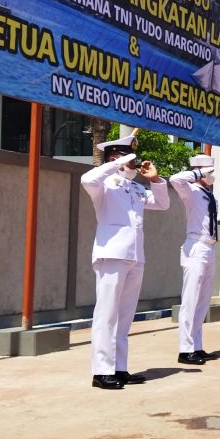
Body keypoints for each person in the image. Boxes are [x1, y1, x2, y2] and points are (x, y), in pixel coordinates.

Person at [81, 134, 169, 390]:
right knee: (106, 314)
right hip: (112, 254)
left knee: (124, 316)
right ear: (115, 159)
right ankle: (101, 371)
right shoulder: (104, 185)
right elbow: (87, 178)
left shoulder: (136, 188)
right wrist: (119, 162)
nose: (135, 164)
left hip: (134, 256)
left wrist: (154, 179)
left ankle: (119, 368)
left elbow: (163, 204)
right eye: (131, 160)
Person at [169, 154, 219, 366]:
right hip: (196, 245)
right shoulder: (190, 191)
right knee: (190, 299)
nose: (212, 176)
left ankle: (196, 346)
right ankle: (185, 349)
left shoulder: (210, 195)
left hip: (209, 246)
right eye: (210, 172)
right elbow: (174, 179)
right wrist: (198, 173)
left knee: (203, 299)